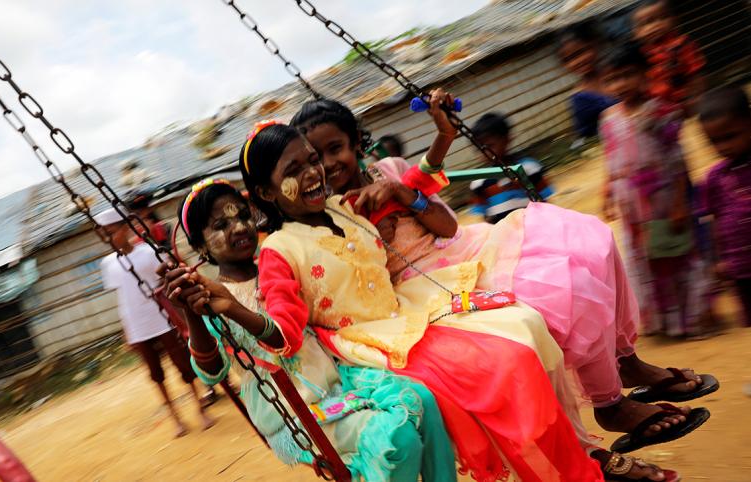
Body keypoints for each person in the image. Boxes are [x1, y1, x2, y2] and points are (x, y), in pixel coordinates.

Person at [291, 93, 716, 457]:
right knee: (561, 295)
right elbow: (361, 284)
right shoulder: (330, 218)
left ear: (355, 144)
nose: (329, 164)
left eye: (336, 148)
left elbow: (448, 227)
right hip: (422, 285)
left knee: (592, 240)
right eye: (316, 158)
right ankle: (609, 404)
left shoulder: (392, 171)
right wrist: (372, 239)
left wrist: (405, 195)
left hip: (462, 249)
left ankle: (627, 361)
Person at [237, 120, 618, 481]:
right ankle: (559, 468)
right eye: (293, 169)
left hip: (408, 312)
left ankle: (571, 460)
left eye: (313, 160)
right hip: (366, 343)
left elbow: (419, 180)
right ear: (267, 193)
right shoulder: (279, 251)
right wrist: (231, 309)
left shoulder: (346, 207)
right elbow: (284, 330)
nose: (312, 173)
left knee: (525, 325)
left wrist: (441, 136)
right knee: (506, 363)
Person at [162, 178, 457, 481]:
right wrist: (192, 314)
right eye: (221, 225)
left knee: (423, 399)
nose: (239, 228)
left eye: (243, 215)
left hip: (338, 380)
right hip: (292, 412)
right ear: (200, 245)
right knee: (398, 439)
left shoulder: (281, 261)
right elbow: (211, 373)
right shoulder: (213, 297)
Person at [599, 44, 714, 338]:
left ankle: (688, 320)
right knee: (643, 256)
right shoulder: (608, 119)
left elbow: (677, 160)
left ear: (645, 74)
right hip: (630, 204)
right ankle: (659, 320)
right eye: (613, 79)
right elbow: (610, 158)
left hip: (662, 199)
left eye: (627, 75)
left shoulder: (662, 111)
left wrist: (679, 202)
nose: (621, 84)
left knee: (675, 254)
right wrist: (607, 192)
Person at [95, 208, 214, 437]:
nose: (109, 239)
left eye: (112, 233)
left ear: (125, 228)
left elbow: (168, 281)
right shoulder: (108, 264)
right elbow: (123, 297)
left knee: (184, 366)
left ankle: (201, 409)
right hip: (137, 326)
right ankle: (176, 419)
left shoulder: (148, 253)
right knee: (156, 375)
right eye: (105, 236)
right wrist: (126, 331)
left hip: (162, 319)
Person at [698, 86, 751, 327]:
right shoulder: (715, 178)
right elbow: (714, 221)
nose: (723, 147)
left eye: (730, 136)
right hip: (740, 269)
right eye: (714, 141)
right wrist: (717, 259)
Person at [469, 112, 555, 223]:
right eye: (478, 149)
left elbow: (545, 203)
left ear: (507, 139)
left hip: (534, 227)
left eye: (489, 146)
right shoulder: (479, 182)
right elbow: (486, 217)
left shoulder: (529, 168)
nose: (484, 153)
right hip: (503, 235)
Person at [632, 0, 706, 114]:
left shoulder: (683, 44)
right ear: (636, 32)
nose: (656, 25)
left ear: (674, 19)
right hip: (657, 107)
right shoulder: (639, 54)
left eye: (663, 18)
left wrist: (697, 95)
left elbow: (696, 72)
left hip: (685, 100)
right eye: (647, 22)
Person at [557, 20, 618, 139]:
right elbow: (587, 135)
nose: (576, 61)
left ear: (596, 44)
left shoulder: (621, 71)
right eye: (568, 59)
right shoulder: (580, 99)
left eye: (581, 52)